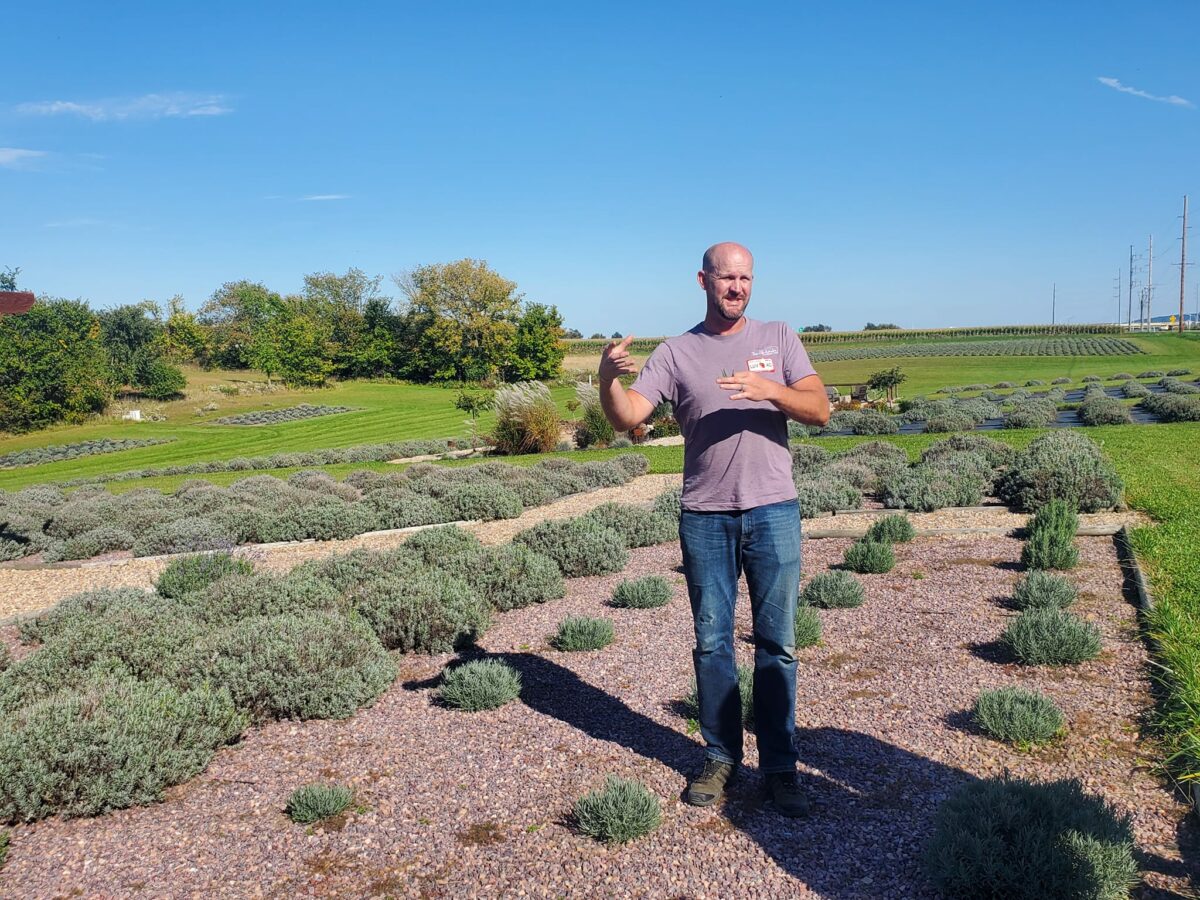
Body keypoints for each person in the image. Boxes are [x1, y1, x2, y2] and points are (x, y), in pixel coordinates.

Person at [598, 242, 830, 817]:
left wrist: (770, 390)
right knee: (713, 643)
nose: (737, 287)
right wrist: (607, 379)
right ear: (702, 280)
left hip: (774, 511)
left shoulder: (779, 338)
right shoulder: (677, 353)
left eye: (746, 277)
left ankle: (781, 769)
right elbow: (630, 416)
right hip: (705, 515)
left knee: (777, 644)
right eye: (727, 277)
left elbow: (821, 408)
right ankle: (721, 758)